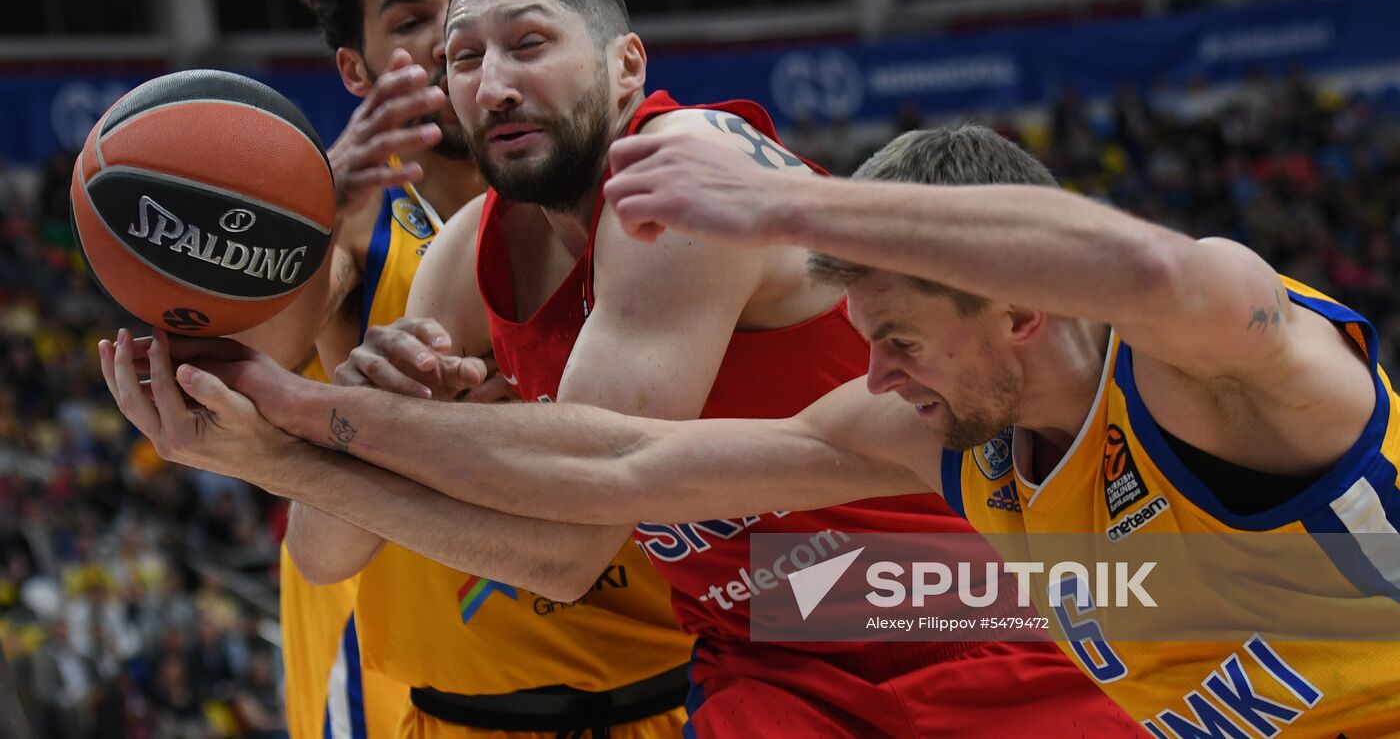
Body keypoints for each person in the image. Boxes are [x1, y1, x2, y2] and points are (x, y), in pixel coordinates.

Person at [100, 0, 1142, 737]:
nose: (491, 80)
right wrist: (324, 428)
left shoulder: (678, 177)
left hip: (953, 597)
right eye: (463, 57)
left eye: (529, 43)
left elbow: (575, 531)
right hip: (767, 634)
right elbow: (331, 555)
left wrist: (307, 427)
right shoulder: (468, 250)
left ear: (626, 67)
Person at [213, 121, 1400, 735]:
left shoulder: (1216, 372)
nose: (871, 367)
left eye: (896, 333)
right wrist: (307, 424)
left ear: (1023, 308)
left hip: (885, 603)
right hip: (791, 623)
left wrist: (785, 201)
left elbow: (1148, 263)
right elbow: (624, 463)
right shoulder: (940, 433)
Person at [242, 0, 695, 739]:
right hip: (441, 690)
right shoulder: (353, 222)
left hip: (664, 678)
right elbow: (253, 355)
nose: (457, 48)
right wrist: (319, 204)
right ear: (356, 69)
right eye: (414, 23)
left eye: (465, 12)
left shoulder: (641, 206)